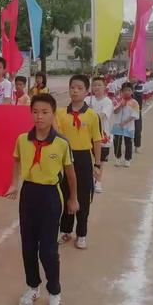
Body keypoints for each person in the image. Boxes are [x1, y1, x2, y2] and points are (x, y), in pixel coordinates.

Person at [5, 94, 79, 305]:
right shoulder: (21, 139)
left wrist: (73, 199)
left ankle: (54, 292)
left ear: (53, 114)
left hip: (50, 196)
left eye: (45, 112)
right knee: (28, 244)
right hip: (28, 194)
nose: (39, 116)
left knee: (47, 249)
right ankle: (32, 286)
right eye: (35, 112)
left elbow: (70, 173)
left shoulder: (61, 142)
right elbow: (16, 160)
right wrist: (14, 184)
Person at [56, 75, 102, 249]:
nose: (75, 91)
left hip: (83, 159)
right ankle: (65, 230)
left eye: (79, 88)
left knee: (82, 197)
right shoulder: (60, 113)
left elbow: (96, 140)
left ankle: (81, 233)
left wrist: (97, 164)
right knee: (66, 194)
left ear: (86, 91)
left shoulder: (91, 116)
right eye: (72, 87)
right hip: (65, 158)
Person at [85, 76, 113, 193]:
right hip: (86, 134)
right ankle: (90, 180)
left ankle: (98, 182)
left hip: (102, 135)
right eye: (94, 85)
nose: (96, 87)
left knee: (100, 160)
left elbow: (102, 117)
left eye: (99, 85)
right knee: (88, 158)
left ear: (104, 87)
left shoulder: (108, 102)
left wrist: (90, 114)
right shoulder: (87, 100)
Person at [111, 82, 139, 167]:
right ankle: (118, 158)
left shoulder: (134, 102)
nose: (127, 92)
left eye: (129, 90)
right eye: (125, 90)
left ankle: (127, 159)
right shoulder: (117, 100)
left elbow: (135, 115)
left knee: (128, 143)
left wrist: (125, 122)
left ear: (132, 91)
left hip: (129, 126)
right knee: (117, 142)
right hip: (117, 126)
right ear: (121, 91)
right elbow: (114, 111)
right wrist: (120, 106)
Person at [133, 81, 144, 154]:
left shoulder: (140, 87)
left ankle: (137, 146)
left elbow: (140, 95)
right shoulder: (126, 85)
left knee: (137, 130)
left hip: (137, 112)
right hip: (127, 112)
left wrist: (133, 90)